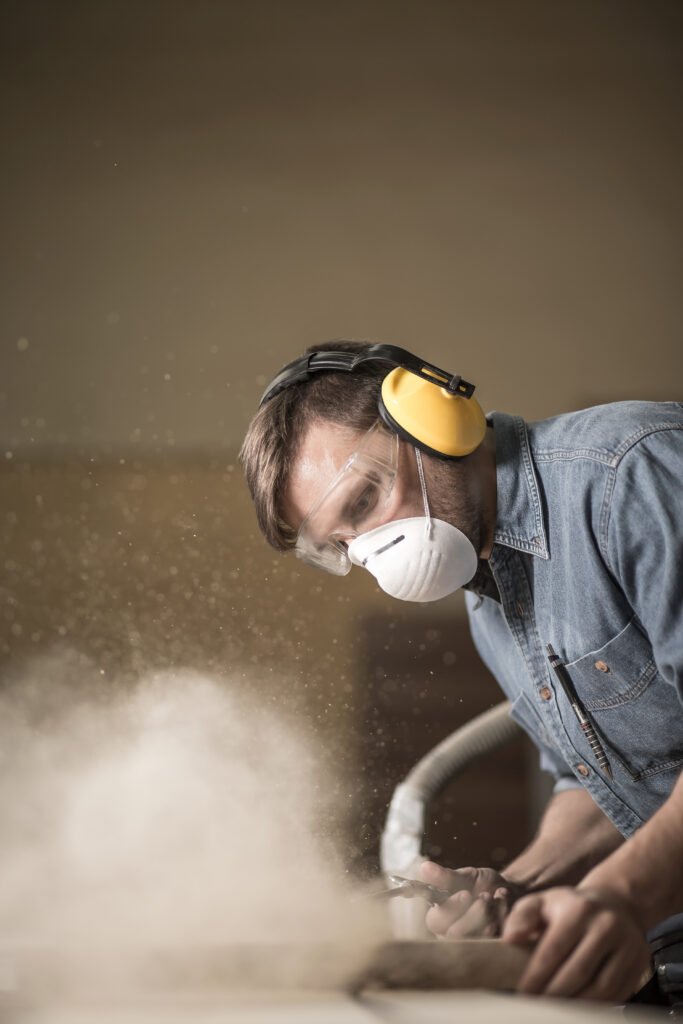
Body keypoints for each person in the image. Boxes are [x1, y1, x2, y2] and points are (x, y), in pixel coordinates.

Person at [239, 339, 683, 1002]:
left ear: (433, 420)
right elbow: (601, 784)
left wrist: (618, 895)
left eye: (362, 503)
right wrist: (514, 890)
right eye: (341, 545)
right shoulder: (490, 601)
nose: (372, 555)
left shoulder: (629, 475)